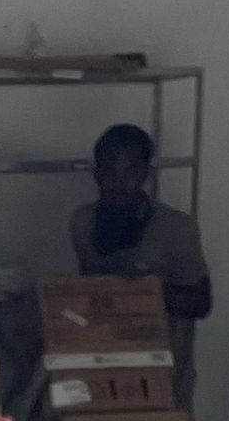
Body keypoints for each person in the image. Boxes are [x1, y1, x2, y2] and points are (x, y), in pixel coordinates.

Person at [69, 122, 211, 401]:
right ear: (97, 174)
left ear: (145, 172)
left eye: (130, 171)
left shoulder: (176, 228)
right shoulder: (82, 223)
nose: (119, 182)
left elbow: (201, 302)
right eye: (110, 171)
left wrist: (139, 292)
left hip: (164, 378)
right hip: (101, 370)